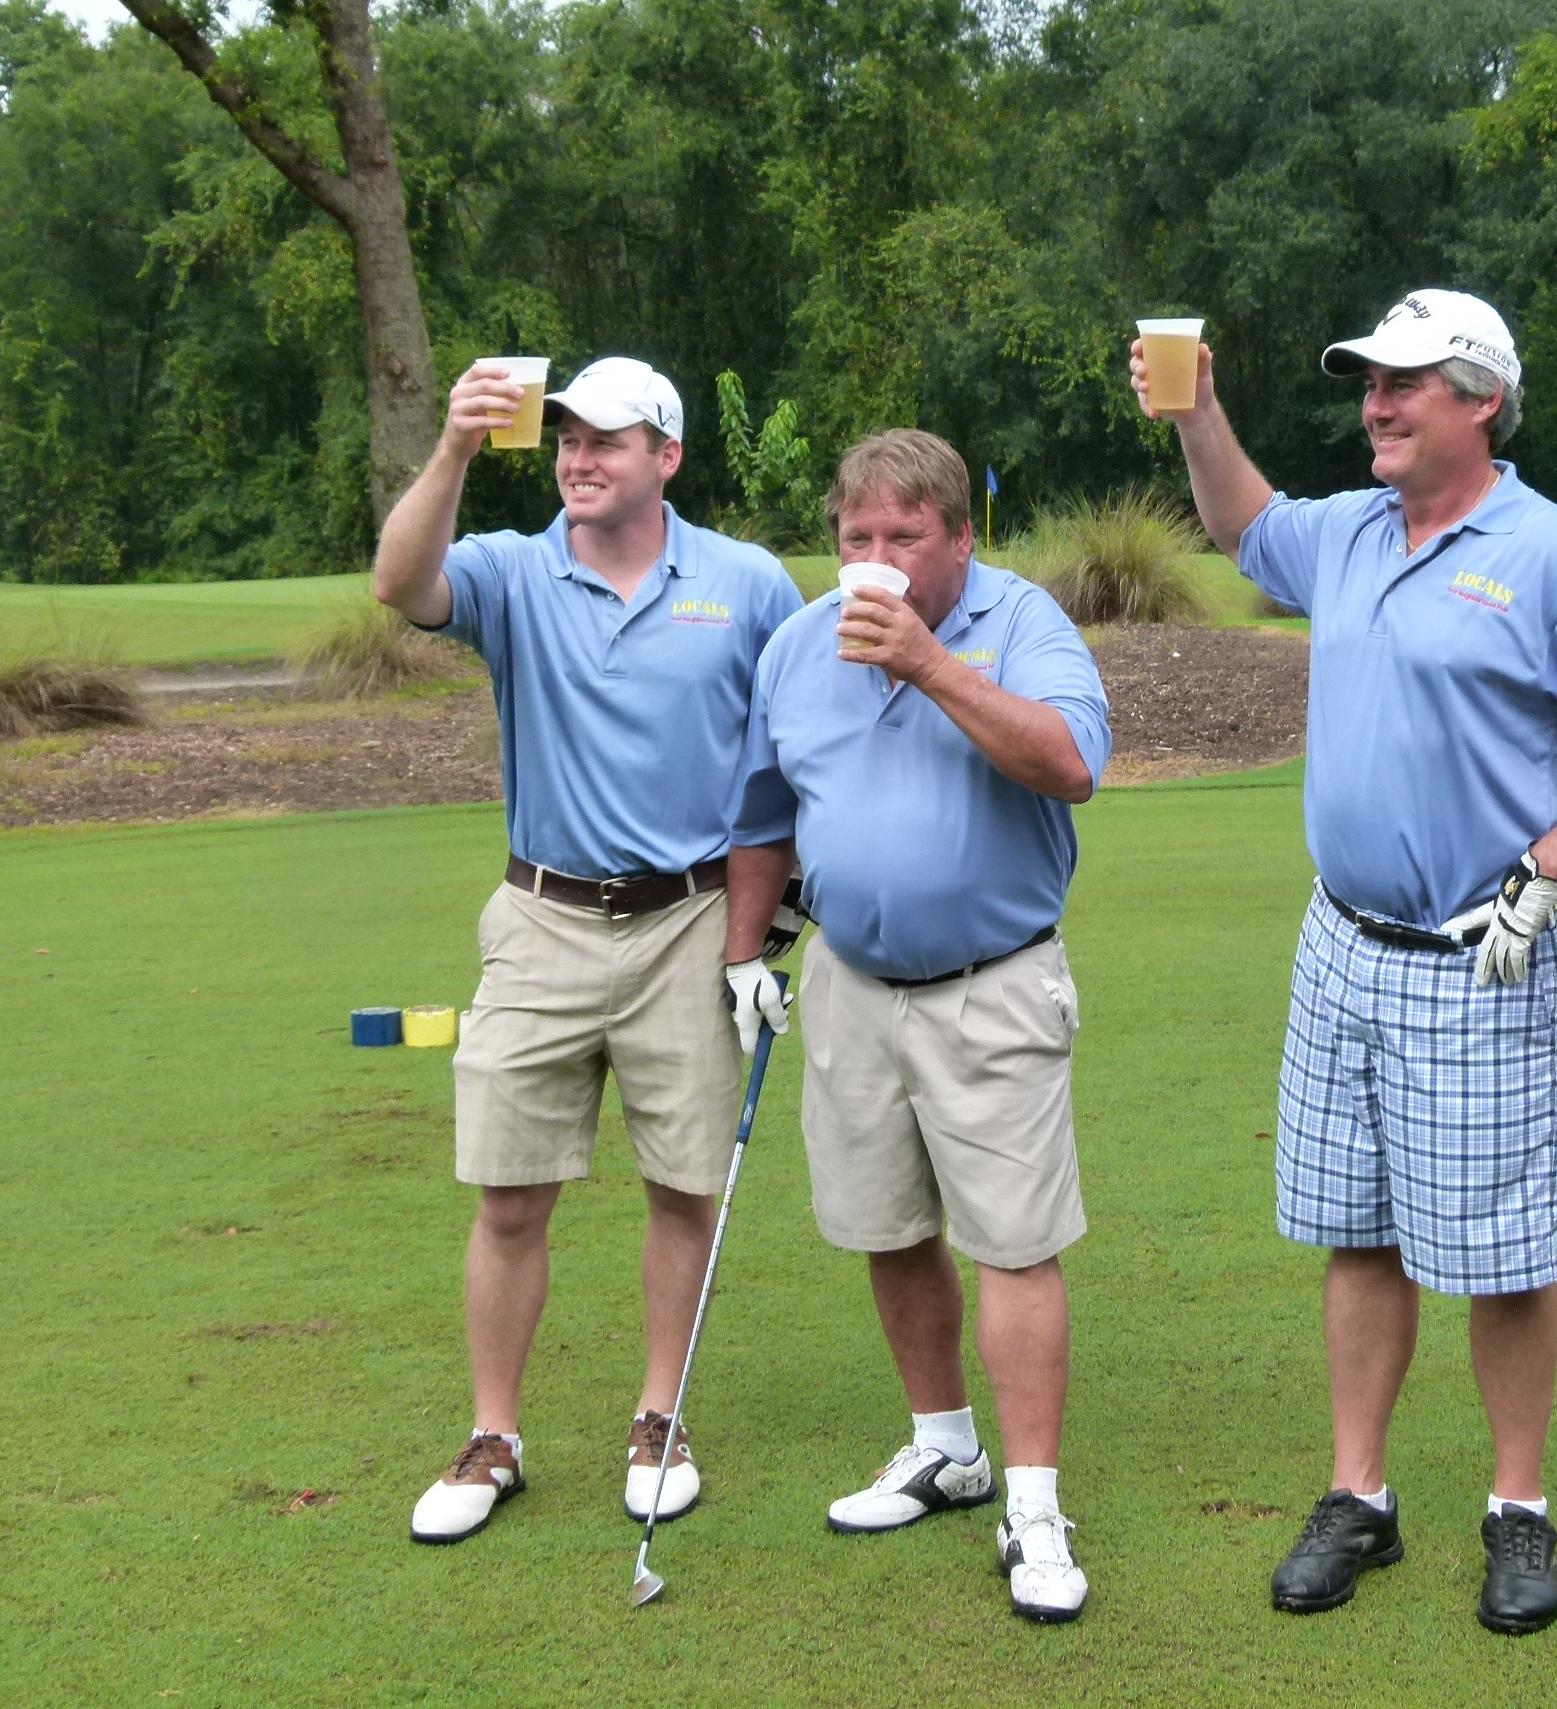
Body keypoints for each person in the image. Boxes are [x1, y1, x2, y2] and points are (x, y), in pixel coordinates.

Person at [1135, 291, 1557, 1634]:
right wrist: (1197, 413)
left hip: (1483, 957)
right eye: (1369, 383)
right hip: (1342, 944)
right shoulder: (1350, 532)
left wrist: (1549, 865)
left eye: (1404, 383)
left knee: (1505, 1254)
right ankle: (1360, 1496)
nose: (1376, 404)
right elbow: (1243, 526)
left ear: (1481, 400)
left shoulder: (1553, 557)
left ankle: (1518, 1506)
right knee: (1357, 1234)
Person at [374, 355, 802, 1546]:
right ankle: (494, 1436)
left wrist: (768, 930)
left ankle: (659, 1418)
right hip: (542, 919)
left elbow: (797, 748)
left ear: (667, 455)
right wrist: (454, 448)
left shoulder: (746, 582)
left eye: (607, 440)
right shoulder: (512, 570)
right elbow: (397, 582)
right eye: (566, 438)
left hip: (692, 922)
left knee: (682, 1186)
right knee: (509, 1193)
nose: (578, 458)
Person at [724, 430, 1109, 1625]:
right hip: (850, 984)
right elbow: (763, 817)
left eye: (904, 535)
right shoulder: (798, 646)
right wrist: (744, 955)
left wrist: (930, 664)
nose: (876, 558)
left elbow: (1070, 765)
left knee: (1013, 1244)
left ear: (959, 539)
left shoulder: (1021, 623)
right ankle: (945, 1449)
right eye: (857, 537)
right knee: (885, 1225)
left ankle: (1033, 1507)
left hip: (993, 982)